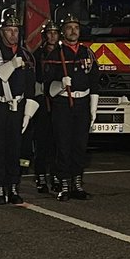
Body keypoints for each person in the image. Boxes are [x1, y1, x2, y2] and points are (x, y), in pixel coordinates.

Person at [0, 10, 36, 205]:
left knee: (14, 149)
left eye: (16, 30)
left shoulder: (26, 55)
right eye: (9, 30)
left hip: (16, 107)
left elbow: (30, 85)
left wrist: (28, 111)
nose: (13, 34)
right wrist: (10, 66)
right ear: (1, 32)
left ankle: (13, 186)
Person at [40, 11, 99, 200]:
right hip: (63, 103)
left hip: (82, 104)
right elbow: (46, 86)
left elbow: (94, 81)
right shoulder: (56, 54)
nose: (73, 31)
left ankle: (77, 184)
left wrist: (93, 108)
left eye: (76, 28)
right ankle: (64, 185)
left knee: (80, 146)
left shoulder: (87, 53)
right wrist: (59, 84)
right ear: (63, 31)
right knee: (63, 145)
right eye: (69, 28)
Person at [31, 19, 62, 193]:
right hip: (42, 101)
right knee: (41, 141)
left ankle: (56, 175)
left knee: (57, 141)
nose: (52, 36)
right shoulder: (37, 55)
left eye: (55, 33)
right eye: (49, 33)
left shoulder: (62, 53)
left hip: (58, 102)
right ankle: (41, 176)